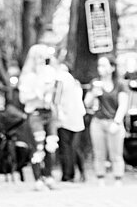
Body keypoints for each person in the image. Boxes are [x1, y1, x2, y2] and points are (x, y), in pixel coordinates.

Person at [18, 42, 63, 179]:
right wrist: (38, 92)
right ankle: (38, 178)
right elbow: (23, 98)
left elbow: (57, 92)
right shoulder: (28, 76)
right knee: (38, 145)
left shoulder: (50, 73)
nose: (42, 60)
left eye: (44, 57)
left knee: (51, 144)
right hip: (35, 113)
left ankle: (48, 176)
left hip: (49, 112)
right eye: (39, 57)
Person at [86, 55, 130, 181]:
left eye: (104, 65)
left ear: (112, 68)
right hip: (98, 122)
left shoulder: (120, 84)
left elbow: (123, 105)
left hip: (114, 122)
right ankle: (101, 181)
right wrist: (94, 93)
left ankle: (118, 181)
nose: (101, 69)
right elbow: (87, 103)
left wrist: (116, 122)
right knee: (99, 153)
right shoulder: (95, 83)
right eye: (99, 65)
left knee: (116, 154)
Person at [53, 63, 89, 183]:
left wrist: (58, 113)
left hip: (65, 118)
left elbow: (56, 99)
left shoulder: (59, 80)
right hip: (77, 118)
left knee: (66, 147)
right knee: (75, 147)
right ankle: (81, 171)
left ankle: (68, 175)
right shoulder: (75, 83)